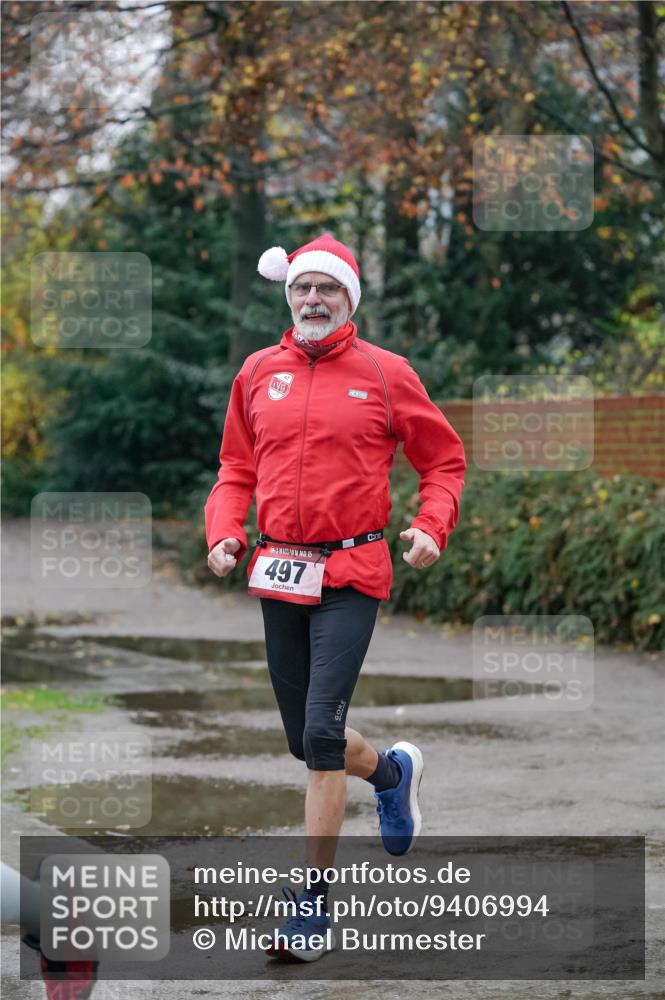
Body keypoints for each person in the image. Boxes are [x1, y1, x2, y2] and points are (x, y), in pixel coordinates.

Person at [205, 233, 466, 962]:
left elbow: (443, 459)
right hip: (278, 569)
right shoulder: (258, 372)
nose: (313, 299)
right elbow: (234, 467)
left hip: (351, 571)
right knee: (304, 741)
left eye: (327, 289)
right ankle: (391, 773)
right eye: (302, 288)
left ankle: (312, 910)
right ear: (288, 295)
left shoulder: (386, 373)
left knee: (321, 734)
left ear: (350, 298)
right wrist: (224, 532)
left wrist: (431, 526)